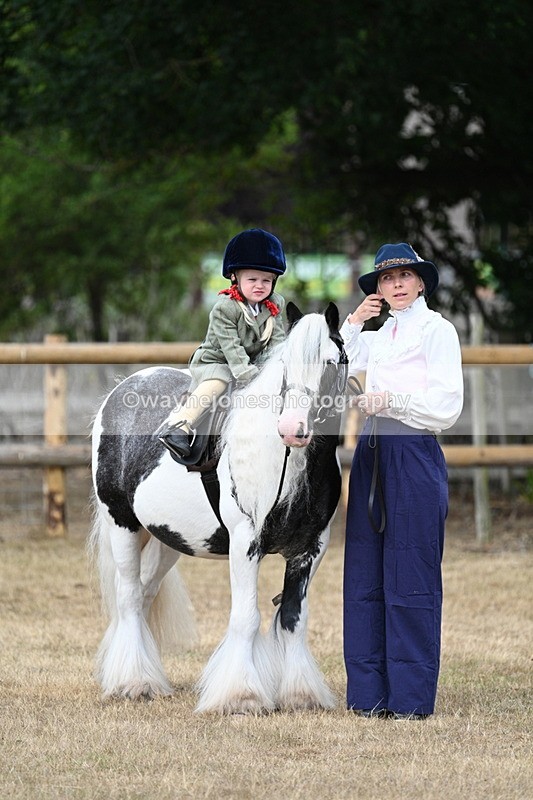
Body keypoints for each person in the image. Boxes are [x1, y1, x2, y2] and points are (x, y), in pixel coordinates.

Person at [340, 242, 463, 720]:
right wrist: (354, 321)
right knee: (366, 570)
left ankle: (410, 700)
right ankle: (369, 697)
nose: (395, 285)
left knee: (410, 571)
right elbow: (341, 360)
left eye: (403, 277)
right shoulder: (380, 333)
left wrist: (390, 400)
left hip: (412, 449)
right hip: (372, 450)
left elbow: (447, 406)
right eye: (386, 279)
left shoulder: (438, 331)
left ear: (420, 282)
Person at [159, 228, 287, 457]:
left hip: (254, 363)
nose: (260, 285)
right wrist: (250, 376)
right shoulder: (224, 308)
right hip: (218, 361)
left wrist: (277, 371)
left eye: (267, 280)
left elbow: (277, 342)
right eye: (253, 279)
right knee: (218, 381)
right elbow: (232, 349)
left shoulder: (276, 303)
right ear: (234, 277)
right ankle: (179, 425)